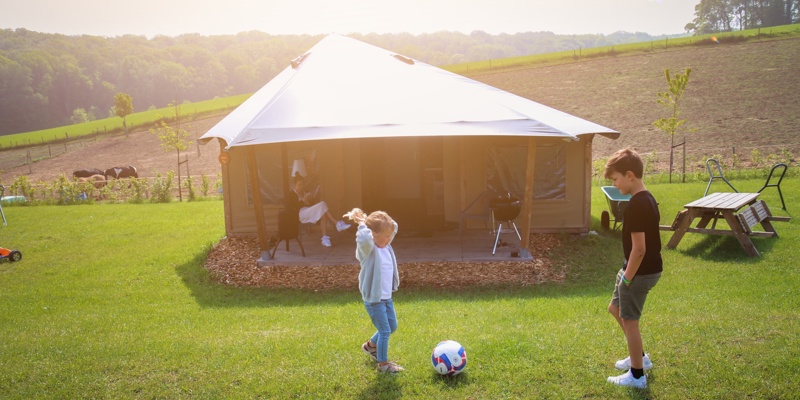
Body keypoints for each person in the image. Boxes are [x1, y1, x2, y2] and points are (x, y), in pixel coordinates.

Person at [603, 148, 663, 389]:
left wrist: (627, 279)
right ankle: (641, 357)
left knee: (630, 321)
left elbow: (639, 249)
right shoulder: (647, 198)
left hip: (638, 272)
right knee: (615, 308)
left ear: (629, 175)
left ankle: (637, 376)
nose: (615, 185)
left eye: (616, 179)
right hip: (636, 269)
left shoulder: (637, 205)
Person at [343, 207, 403, 373]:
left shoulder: (386, 245)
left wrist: (383, 219)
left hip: (386, 298)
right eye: (386, 235)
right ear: (374, 236)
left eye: (389, 235)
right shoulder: (368, 250)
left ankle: (370, 346)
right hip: (374, 299)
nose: (390, 237)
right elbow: (363, 239)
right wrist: (362, 223)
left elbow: (393, 227)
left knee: (392, 326)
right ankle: (383, 364)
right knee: (385, 331)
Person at [289, 173, 350, 247]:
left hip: (309, 212)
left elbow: (313, 205)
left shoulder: (305, 192)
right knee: (322, 204)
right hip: (301, 214)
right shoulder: (292, 194)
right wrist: (303, 201)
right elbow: (293, 208)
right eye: (299, 185)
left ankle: (325, 238)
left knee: (323, 213)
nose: (301, 187)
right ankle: (337, 223)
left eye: (302, 185)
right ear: (294, 185)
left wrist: (310, 199)